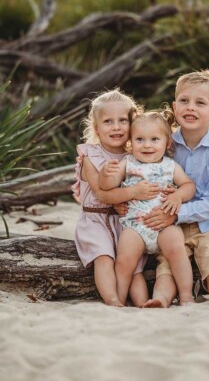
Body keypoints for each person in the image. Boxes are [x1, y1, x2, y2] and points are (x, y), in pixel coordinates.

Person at [141, 70, 209, 308]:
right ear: (175, 107)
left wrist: (177, 213)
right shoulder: (164, 144)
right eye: (184, 101)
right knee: (167, 259)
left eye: (200, 103)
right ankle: (161, 298)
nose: (190, 108)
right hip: (173, 223)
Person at [98, 107, 196, 306]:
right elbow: (106, 186)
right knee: (124, 259)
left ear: (167, 143)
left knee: (177, 250)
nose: (147, 145)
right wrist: (105, 174)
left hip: (165, 226)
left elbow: (189, 186)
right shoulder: (128, 163)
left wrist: (178, 195)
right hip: (135, 226)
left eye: (154, 140)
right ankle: (119, 298)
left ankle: (186, 296)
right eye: (140, 140)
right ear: (130, 142)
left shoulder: (170, 166)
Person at [72, 89, 161, 307]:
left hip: (125, 221)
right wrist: (132, 193)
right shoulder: (90, 156)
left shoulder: (136, 154)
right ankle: (113, 300)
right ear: (96, 128)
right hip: (96, 221)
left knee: (134, 266)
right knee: (104, 257)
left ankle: (143, 303)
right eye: (108, 121)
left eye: (123, 120)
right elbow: (101, 193)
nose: (116, 127)